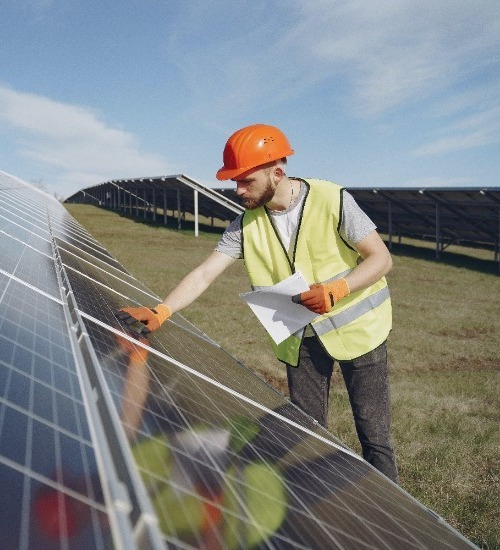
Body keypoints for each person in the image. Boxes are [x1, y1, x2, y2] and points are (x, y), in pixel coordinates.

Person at [117, 123, 398, 483]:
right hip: (300, 337)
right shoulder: (244, 224)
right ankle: (314, 510)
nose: (237, 190)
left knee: (374, 436)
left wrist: (337, 288)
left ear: (277, 173)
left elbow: (381, 259)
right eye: (234, 181)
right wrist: (163, 309)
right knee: (305, 431)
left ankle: (393, 514)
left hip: (361, 331)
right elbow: (205, 273)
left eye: (245, 180)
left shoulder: (332, 199)